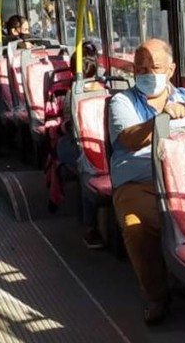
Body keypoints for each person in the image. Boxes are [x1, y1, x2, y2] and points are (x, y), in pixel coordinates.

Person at [107, 38, 185, 323]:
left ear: (171, 70)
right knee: (136, 226)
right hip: (141, 184)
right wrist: (162, 118)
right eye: (141, 68)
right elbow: (130, 139)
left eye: (155, 67)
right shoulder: (122, 102)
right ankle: (155, 294)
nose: (148, 73)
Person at [55, 42, 106, 248]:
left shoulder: (106, 91)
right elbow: (70, 127)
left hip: (99, 142)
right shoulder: (74, 95)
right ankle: (90, 227)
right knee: (87, 170)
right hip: (74, 142)